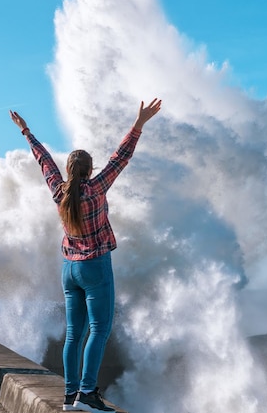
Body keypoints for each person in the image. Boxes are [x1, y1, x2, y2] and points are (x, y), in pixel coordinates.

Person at [10, 98, 162, 413]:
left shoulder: (59, 192)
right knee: (99, 329)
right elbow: (121, 158)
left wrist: (26, 132)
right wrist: (138, 125)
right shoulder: (96, 189)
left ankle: (69, 397)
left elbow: (44, 162)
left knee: (74, 334)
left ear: (69, 170)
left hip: (69, 270)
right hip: (95, 267)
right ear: (90, 170)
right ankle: (87, 394)